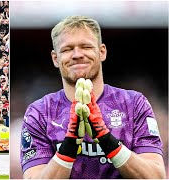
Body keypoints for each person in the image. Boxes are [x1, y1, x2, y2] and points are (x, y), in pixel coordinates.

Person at [20, 16, 165, 179]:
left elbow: (156, 176)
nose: (77, 54)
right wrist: (70, 144)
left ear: (102, 52)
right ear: (55, 58)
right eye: (67, 49)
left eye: (86, 46)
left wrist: (105, 138)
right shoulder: (39, 112)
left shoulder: (134, 103)